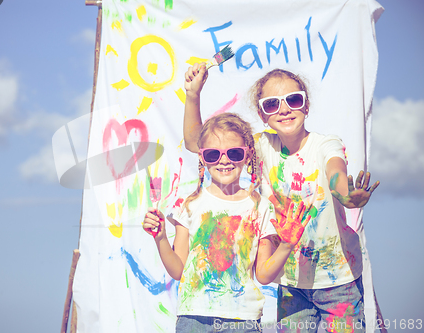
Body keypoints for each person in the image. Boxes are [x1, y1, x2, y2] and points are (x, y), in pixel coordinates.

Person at [183, 64, 380, 333]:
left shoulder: (325, 144)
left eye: (293, 100)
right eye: (272, 104)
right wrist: (193, 95)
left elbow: (336, 173)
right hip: (291, 283)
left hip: (339, 280)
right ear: (263, 115)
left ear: (306, 106)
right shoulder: (261, 146)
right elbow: (198, 143)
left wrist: (346, 195)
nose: (284, 109)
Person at [143, 113, 311, 333]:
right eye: (213, 154)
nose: (224, 160)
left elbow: (263, 275)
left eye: (234, 153)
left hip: (243, 321)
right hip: (193, 319)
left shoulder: (261, 206)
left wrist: (287, 246)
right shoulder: (189, 204)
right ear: (202, 158)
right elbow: (178, 270)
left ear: (247, 154)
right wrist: (161, 238)